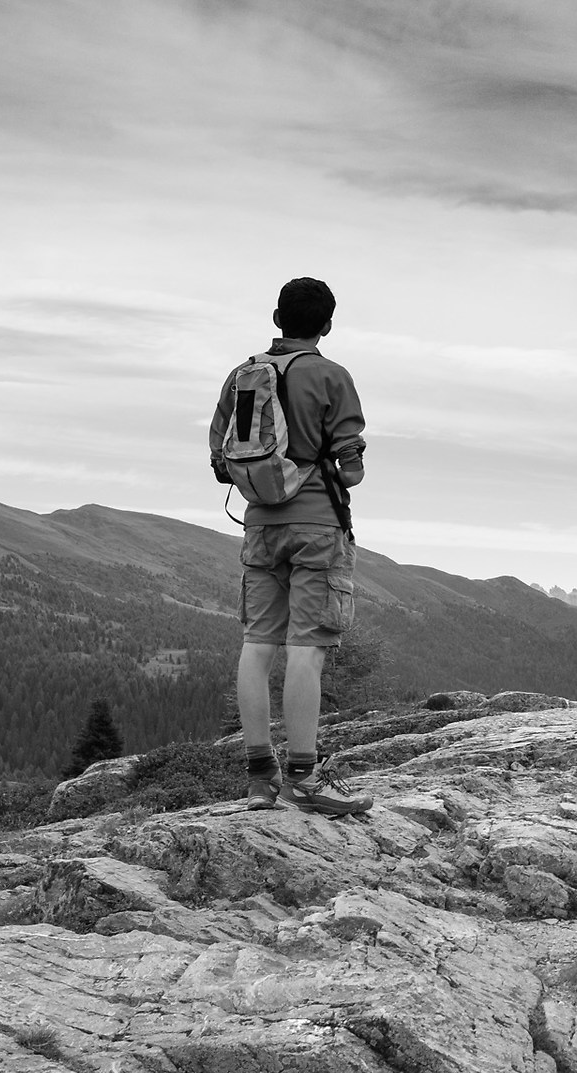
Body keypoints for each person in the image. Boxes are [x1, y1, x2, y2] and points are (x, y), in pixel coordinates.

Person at [207, 277, 373, 815]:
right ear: (327, 325)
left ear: (277, 319)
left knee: (257, 645)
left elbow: (221, 462)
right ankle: (304, 778)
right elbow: (351, 470)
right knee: (307, 650)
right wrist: (334, 469)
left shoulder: (242, 376)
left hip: (260, 526)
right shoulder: (332, 376)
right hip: (318, 526)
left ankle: (260, 779)